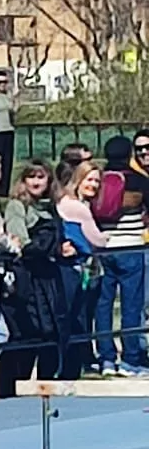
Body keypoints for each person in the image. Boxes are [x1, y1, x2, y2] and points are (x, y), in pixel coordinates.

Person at [0, 161, 74, 397]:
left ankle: (45, 384)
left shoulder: (50, 208)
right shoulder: (16, 206)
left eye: (41, 177)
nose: (36, 182)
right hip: (27, 277)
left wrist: (60, 247)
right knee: (27, 331)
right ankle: (8, 387)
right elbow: (20, 244)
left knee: (51, 332)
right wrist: (43, 244)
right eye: (31, 176)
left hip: (49, 277)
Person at [92, 132, 149, 375]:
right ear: (129, 154)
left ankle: (106, 358)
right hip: (132, 248)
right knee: (131, 306)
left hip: (104, 249)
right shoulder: (139, 181)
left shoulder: (100, 180)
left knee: (102, 306)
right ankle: (130, 358)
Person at [57, 162, 115, 376]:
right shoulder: (77, 207)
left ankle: (79, 359)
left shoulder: (71, 203)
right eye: (89, 179)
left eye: (97, 181)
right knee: (78, 316)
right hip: (76, 267)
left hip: (77, 266)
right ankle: (76, 362)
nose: (93, 185)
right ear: (78, 180)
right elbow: (97, 240)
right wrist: (110, 236)